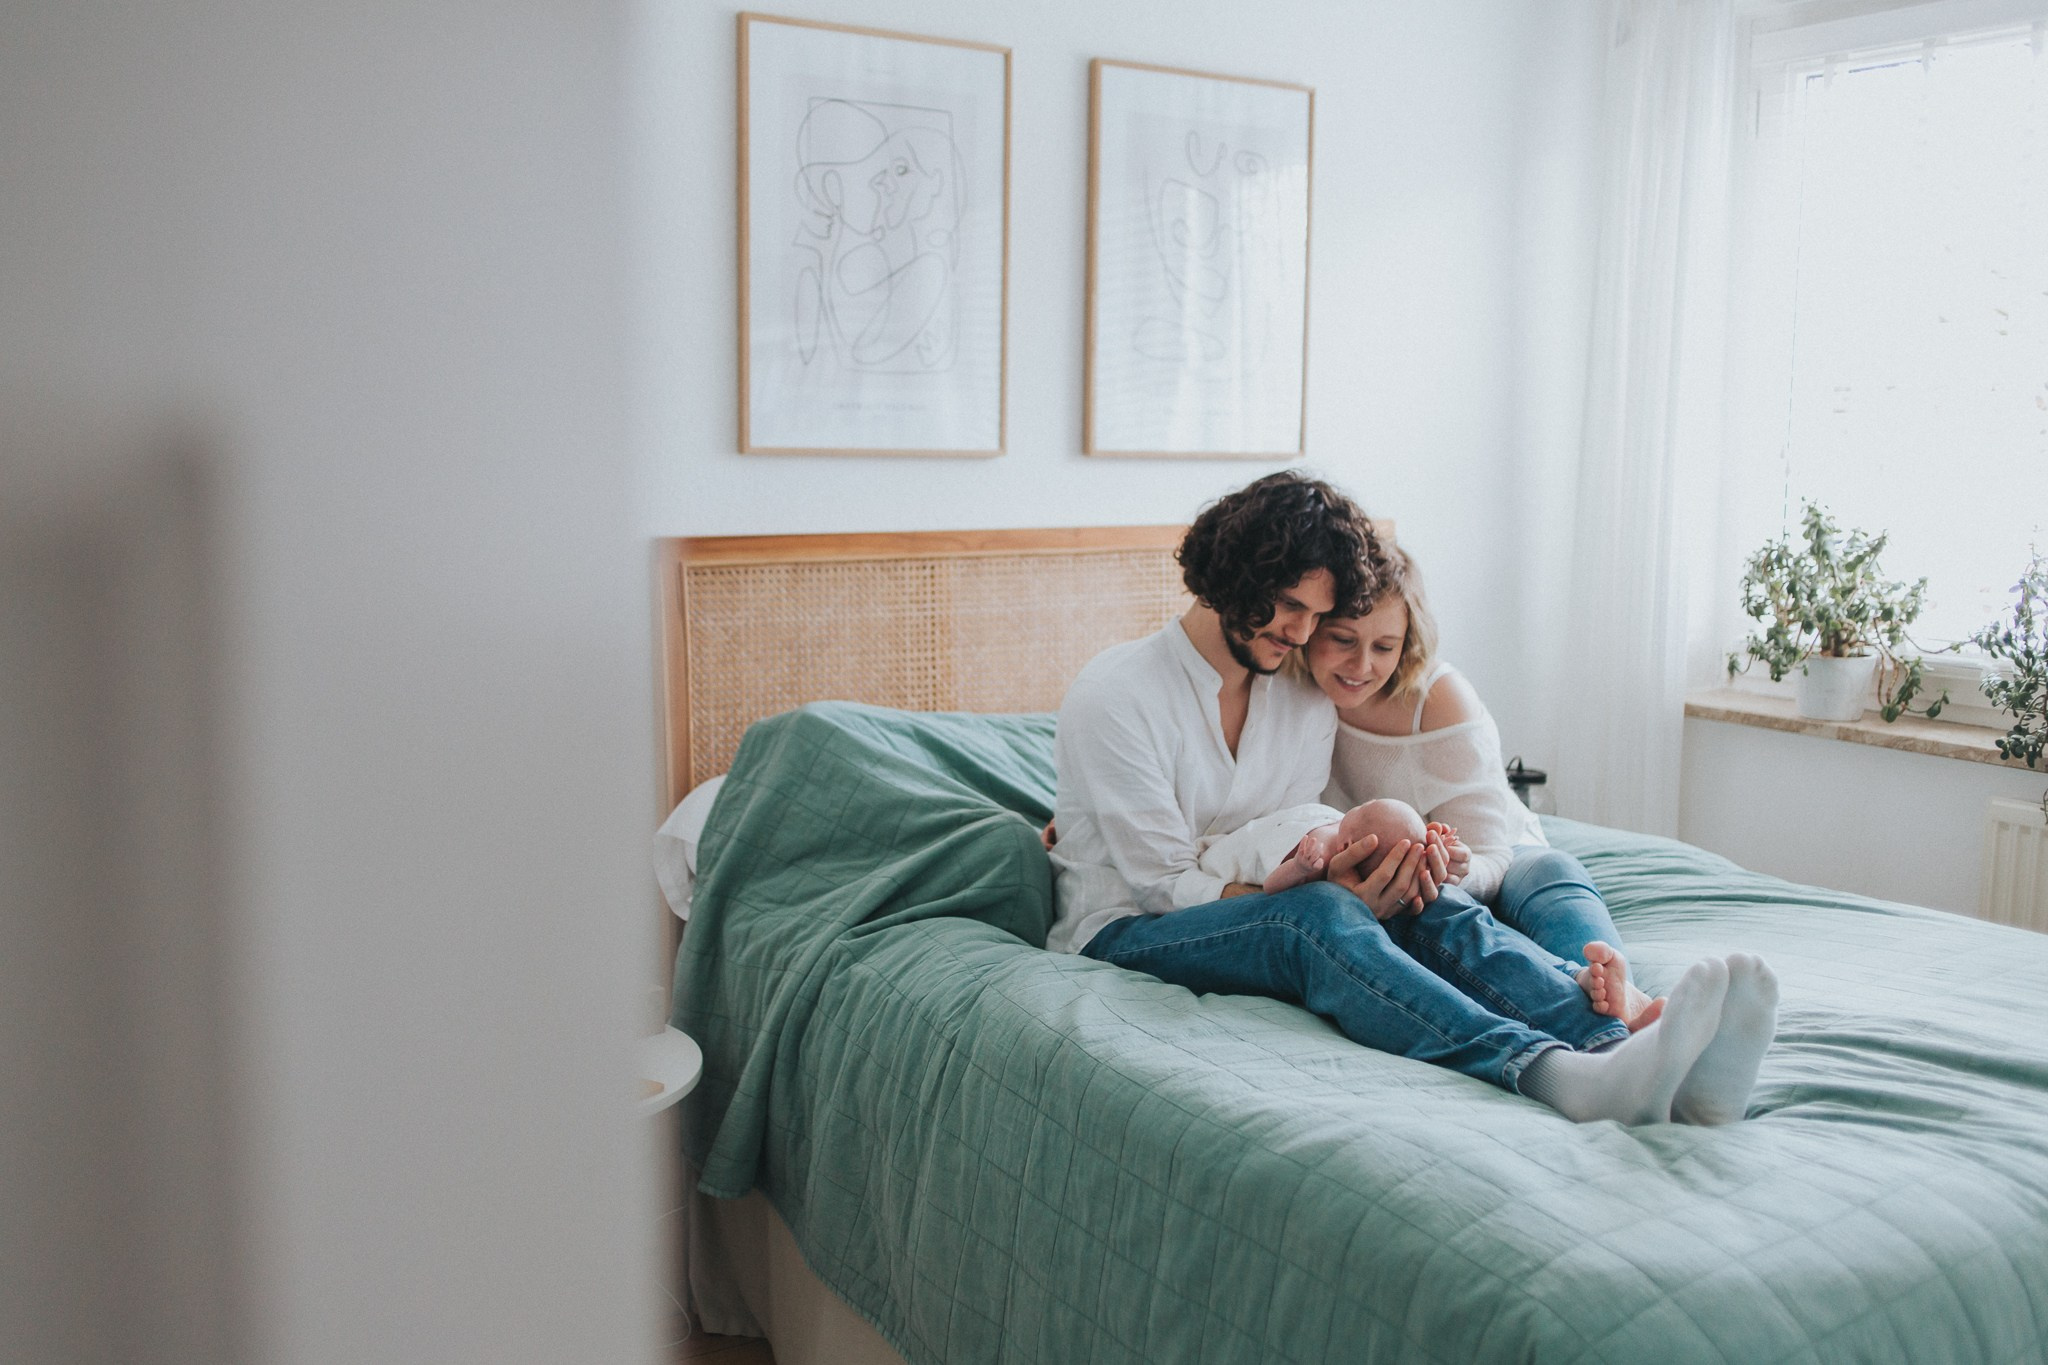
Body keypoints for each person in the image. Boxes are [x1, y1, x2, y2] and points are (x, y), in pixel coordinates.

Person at [1048, 471, 1751, 1127]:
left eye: (1316, 614)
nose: (1300, 633)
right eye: (1289, 605)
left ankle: (1626, 1047)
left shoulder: (1301, 696)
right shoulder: (1119, 695)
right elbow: (1162, 884)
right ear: (1229, 577)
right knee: (1314, 917)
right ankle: (1548, 1071)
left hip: (1257, 893)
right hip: (1129, 926)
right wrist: (1312, 892)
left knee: (1417, 894)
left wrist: (1360, 870)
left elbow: (1291, 824)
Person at [1300, 540, 1778, 1124]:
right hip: (1410, 886)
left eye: (1384, 646)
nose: (1361, 665)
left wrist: (1453, 869)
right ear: (1309, 625)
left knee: (1552, 870)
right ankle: (1633, 1050)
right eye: (1342, 639)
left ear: (1409, 642)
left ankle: (1627, 1003)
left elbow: (1493, 849)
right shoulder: (1288, 698)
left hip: (1488, 857)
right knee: (1434, 918)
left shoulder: (1438, 699)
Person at [1199, 796, 1430, 896]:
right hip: (1216, 865)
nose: (1362, 804)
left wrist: (1298, 868)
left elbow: (1270, 887)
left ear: (1347, 845)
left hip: (1227, 865)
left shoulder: (1319, 856)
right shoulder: (1342, 828)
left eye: (1364, 809)